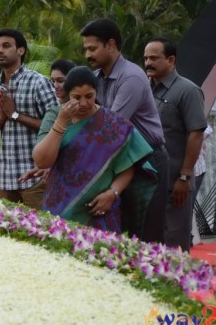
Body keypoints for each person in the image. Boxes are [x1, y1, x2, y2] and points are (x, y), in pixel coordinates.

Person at [33, 67, 156, 233]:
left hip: (100, 211)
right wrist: (61, 122)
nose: (83, 103)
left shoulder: (113, 124)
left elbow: (130, 164)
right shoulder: (55, 115)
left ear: (96, 93)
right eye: (76, 97)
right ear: (67, 95)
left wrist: (113, 193)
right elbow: (42, 161)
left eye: (89, 96)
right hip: (60, 207)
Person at [80, 18, 168, 243]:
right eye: (86, 49)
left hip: (148, 161)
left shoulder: (131, 77)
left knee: (146, 237)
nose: (88, 55)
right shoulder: (97, 78)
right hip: (121, 161)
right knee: (123, 233)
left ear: (110, 45)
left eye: (92, 48)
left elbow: (110, 128)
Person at [0, 29, 58, 209]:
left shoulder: (39, 83)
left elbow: (57, 127)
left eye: (6, 46)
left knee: (40, 232)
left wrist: (15, 115)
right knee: (5, 232)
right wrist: (0, 119)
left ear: (20, 51)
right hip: (5, 181)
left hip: (36, 178)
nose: (0, 50)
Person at [144, 36, 207, 252]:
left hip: (175, 183)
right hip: (148, 180)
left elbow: (196, 134)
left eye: (154, 58)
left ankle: (176, 285)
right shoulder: (144, 89)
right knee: (150, 244)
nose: (148, 63)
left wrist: (184, 176)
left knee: (175, 243)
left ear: (171, 60)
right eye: (145, 58)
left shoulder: (188, 91)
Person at [19, 59, 75, 183]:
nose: (55, 85)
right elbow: (42, 151)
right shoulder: (53, 113)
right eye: (53, 81)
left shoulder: (86, 112)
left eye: (60, 81)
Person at [191, 126, 213, 245]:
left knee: (189, 203)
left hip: (197, 169)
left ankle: (188, 236)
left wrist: (199, 139)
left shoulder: (194, 116)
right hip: (183, 169)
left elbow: (209, 128)